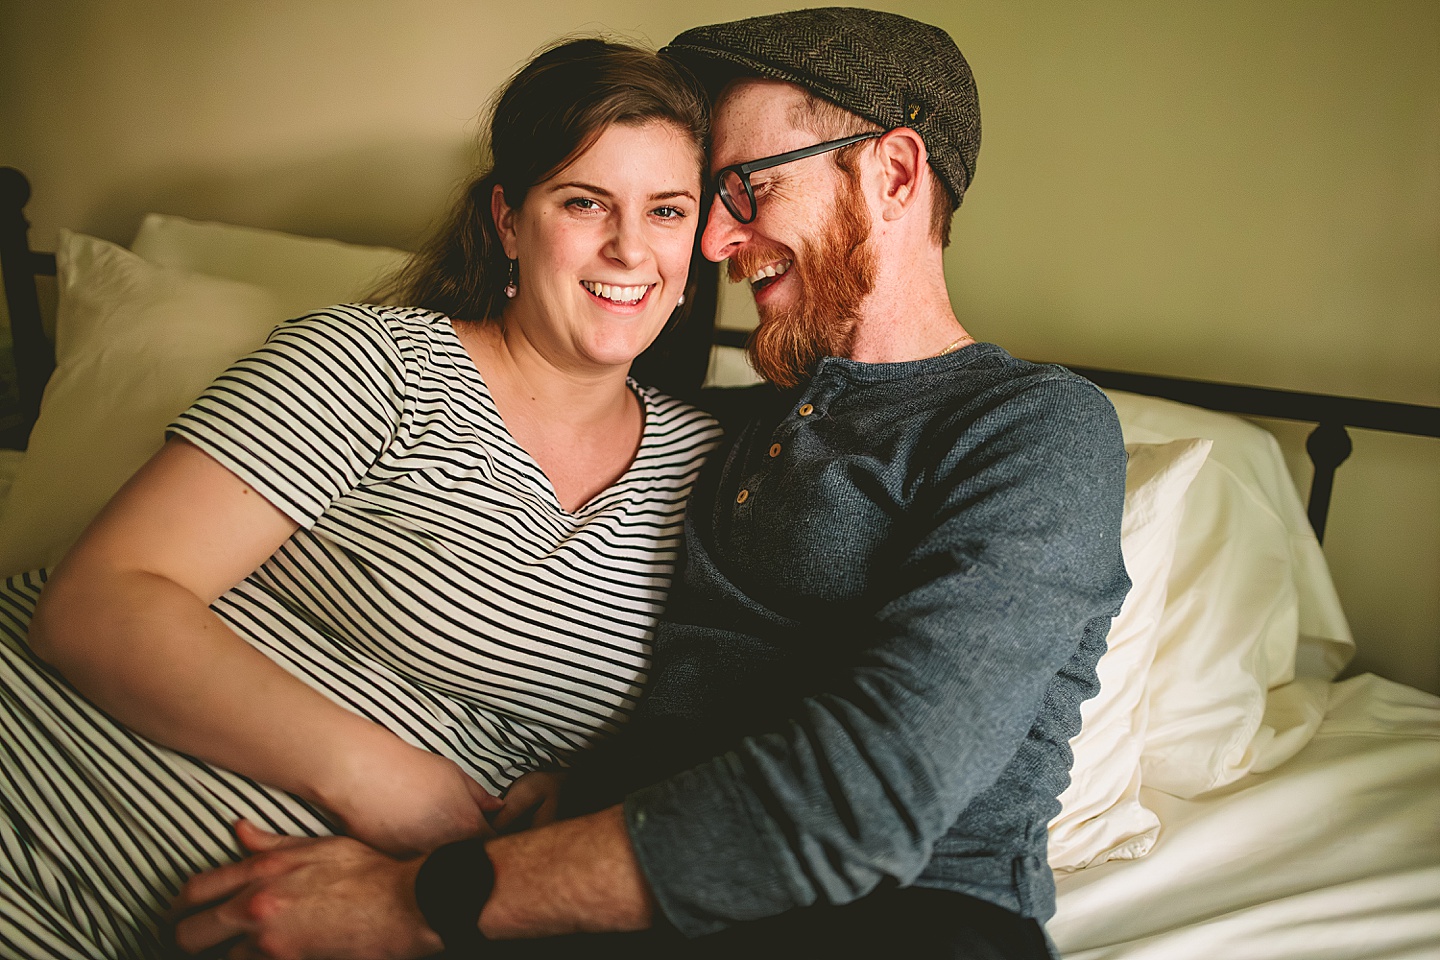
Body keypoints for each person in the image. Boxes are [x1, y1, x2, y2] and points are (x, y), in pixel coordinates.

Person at [169, 9, 1131, 960]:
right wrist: (594, 786)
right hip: (625, 900)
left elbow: (870, 796)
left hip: (900, 919)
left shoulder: (1033, 426)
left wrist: (418, 902)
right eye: (704, 201)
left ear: (894, 172)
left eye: (745, 189)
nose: (711, 243)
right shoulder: (729, 432)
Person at [0, 38, 722, 960]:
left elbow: (719, 728)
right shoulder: (378, 363)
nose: (629, 247)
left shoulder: (715, 472)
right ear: (508, 219)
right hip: (32, 800)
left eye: (666, 211)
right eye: (584, 202)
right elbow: (97, 602)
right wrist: (370, 773)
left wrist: (579, 793)